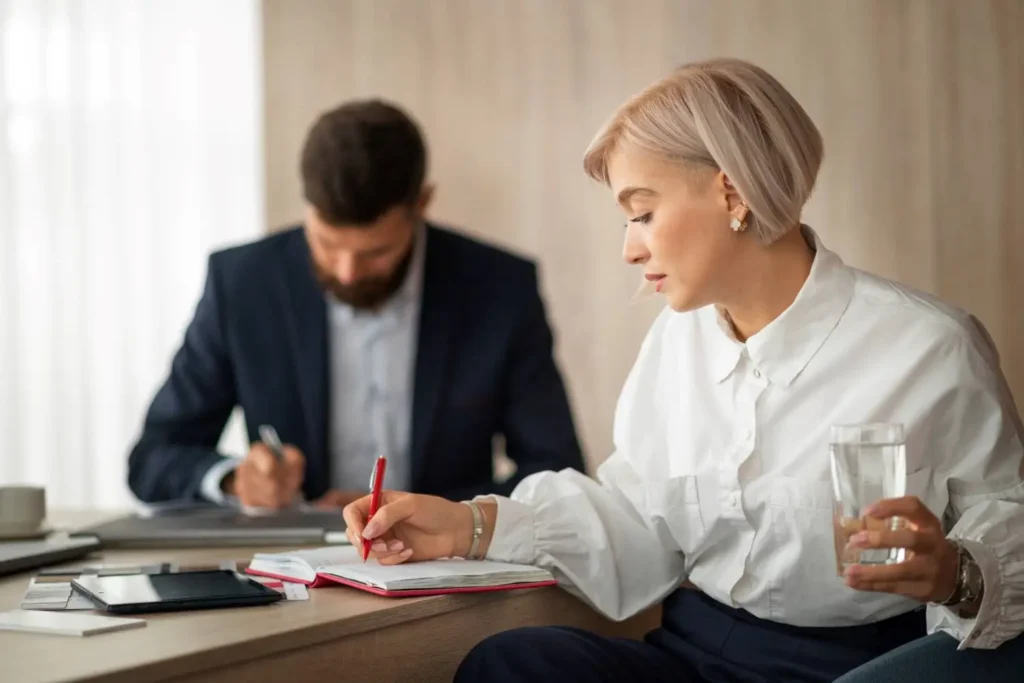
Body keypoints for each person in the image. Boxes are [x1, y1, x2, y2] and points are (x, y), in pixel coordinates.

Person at [342, 59, 1024, 682]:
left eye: (642, 212)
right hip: (699, 654)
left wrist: (955, 574)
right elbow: (637, 519)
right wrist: (468, 524)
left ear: (732, 193)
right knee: (514, 665)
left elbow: (1010, 526)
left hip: (858, 669)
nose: (628, 248)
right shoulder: (678, 340)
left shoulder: (930, 347)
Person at [128, 99, 584, 510]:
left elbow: (558, 472)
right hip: (290, 578)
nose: (347, 272)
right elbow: (153, 459)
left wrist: (440, 514)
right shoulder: (243, 283)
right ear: (307, 206)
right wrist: (234, 481)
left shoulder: (499, 288)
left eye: (375, 253)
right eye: (326, 244)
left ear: (422, 203)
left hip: (445, 575)